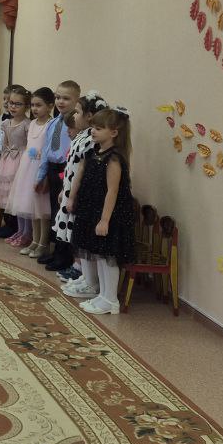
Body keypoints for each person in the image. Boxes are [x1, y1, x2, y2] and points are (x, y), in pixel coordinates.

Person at [62, 107, 136, 315]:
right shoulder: (94, 152)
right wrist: (73, 198)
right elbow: (81, 174)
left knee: (107, 256)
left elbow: (112, 191)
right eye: (93, 127)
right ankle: (102, 294)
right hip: (92, 208)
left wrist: (104, 220)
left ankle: (110, 299)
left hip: (110, 213)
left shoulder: (114, 158)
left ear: (114, 133)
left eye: (99, 128)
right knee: (98, 254)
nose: (93, 131)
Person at [54, 91, 108, 280]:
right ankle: (78, 267)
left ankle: (81, 270)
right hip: (70, 190)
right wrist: (64, 189)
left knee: (78, 231)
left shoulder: (91, 141)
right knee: (72, 231)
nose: (74, 116)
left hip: (80, 194)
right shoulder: (82, 136)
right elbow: (71, 166)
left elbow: (83, 171)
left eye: (77, 112)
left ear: (89, 116)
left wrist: (73, 195)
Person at [37, 80, 82, 266]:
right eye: (57, 97)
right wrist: (41, 175)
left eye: (66, 98)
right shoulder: (53, 122)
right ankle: (55, 251)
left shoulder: (75, 124)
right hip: (52, 169)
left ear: (77, 100)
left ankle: (64, 256)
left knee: (64, 213)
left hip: (66, 170)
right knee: (54, 212)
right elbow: (46, 149)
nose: (60, 101)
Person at [8, 86, 54, 253]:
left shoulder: (51, 124)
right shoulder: (32, 123)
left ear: (50, 106)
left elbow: (48, 148)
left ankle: (43, 242)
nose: (35, 108)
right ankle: (34, 240)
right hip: (27, 168)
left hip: (39, 168)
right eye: (33, 105)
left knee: (41, 209)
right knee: (31, 207)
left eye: (39, 105)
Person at [0, 87, 30, 242]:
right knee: (6, 193)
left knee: (15, 194)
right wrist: (3, 157)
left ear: (26, 106)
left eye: (18, 104)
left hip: (20, 159)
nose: (13, 107)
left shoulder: (27, 124)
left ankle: (15, 226)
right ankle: (8, 223)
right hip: (7, 159)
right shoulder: (6, 123)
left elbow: (28, 145)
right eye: (11, 103)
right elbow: (6, 142)